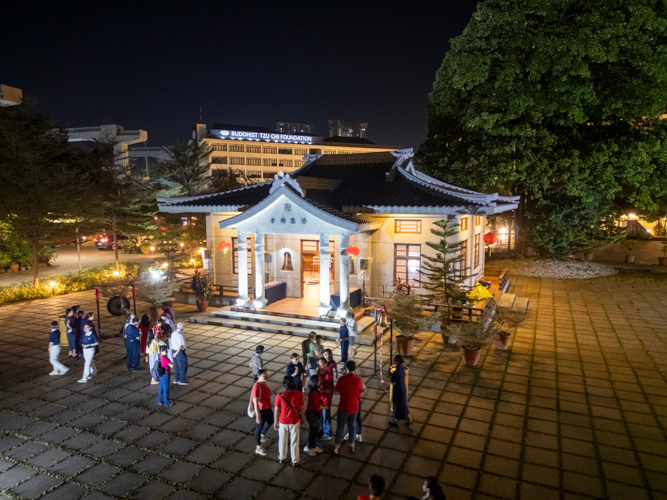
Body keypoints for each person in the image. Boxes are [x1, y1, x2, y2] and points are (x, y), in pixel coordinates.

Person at [334, 360, 365, 454]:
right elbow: (362, 390)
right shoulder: (359, 380)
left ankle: (337, 446)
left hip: (343, 407)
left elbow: (336, 392)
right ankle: (352, 445)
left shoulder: (342, 379)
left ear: (346, 368)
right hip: (355, 408)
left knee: (340, 426)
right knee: (352, 426)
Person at [274, 375, 305, 467]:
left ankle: (282, 457)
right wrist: (303, 417)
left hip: (283, 421)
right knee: (294, 441)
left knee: (282, 440)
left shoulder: (279, 396)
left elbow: (276, 410)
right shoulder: (298, 394)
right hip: (294, 421)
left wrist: (276, 421)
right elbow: (302, 408)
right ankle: (295, 460)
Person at [252, 369, 273, 456]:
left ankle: (262, 435)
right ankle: (258, 447)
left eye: (266, 373)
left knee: (271, 421)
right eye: (263, 374)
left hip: (268, 408)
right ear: (258, 376)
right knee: (258, 428)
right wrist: (258, 415)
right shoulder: (256, 387)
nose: (266, 375)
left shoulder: (264, 383)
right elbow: (256, 402)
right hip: (261, 410)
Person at [389, 355, 413, 427]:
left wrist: (391, 376)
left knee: (396, 405)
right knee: (404, 405)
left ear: (396, 361)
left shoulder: (396, 372)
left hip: (397, 391)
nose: (393, 361)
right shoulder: (402, 368)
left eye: (394, 360)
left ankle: (395, 421)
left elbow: (393, 382)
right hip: (403, 388)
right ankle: (410, 420)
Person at [304, 375, 325, 456]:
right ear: (315, 382)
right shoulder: (314, 393)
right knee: (313, 432)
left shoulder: (313, 391)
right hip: (314, 415)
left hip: (313, 414)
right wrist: (325, 406)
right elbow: (317, 406)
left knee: (315, 431)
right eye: (318, 380)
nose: (320, 381)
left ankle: (313, 446)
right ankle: (309, 447)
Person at [317, 357, 334, 440]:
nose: (320, 366)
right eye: (319, 364)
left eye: (322, 364)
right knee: (320, 417)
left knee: (326, 416)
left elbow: (330, 390)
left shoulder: (328, 375)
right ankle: (321, 431)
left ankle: (328, 433)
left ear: (326, 364)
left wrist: (321, 390)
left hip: (325, 400)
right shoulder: (318, 372)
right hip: (319, 399)